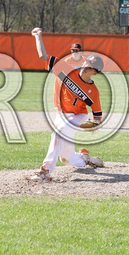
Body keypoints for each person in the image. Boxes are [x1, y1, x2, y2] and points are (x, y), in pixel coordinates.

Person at [30, 27, 104, 181]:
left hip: (78, 116)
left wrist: (94, 125)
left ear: (94, 72)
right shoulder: (67, 71)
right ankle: (87, 158)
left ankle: (45, 171)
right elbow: (42, 56)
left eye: (89, 66)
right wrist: (38, 36)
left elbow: (97, 115)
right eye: (86, 63)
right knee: (67, 158)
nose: (85, 66)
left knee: (58, 132)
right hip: (61, 114)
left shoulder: (93, 92)